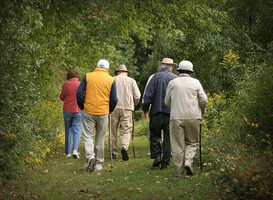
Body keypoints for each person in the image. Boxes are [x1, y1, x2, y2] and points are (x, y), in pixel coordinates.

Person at [165, 60, 208, 177]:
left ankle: (179, 172)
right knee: (192, 142)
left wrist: (174, 105)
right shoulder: (196, 83)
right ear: (190, 71)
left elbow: (167, 101)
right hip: (193, 116)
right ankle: (188, 161)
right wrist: (202, 109)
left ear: (179, 70)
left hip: (176, 117)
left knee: (177, 144)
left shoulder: (173, 83)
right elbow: (204, 99)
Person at [77, 59, 118, 172]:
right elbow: (114, 99)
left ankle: (90, 156)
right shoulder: (111, 79)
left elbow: (79, 93)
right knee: (100, 137)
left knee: (88, 136)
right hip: (103, 112)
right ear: (107, 69)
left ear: (97, 66)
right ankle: (98, 163)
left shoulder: (88, 76)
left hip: (88, 110)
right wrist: (110, 109)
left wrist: (82, 106)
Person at [141, 58, 177, 169]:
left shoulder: (155, 77)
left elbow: (148, 95)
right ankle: (165, 163)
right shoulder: (175, 78)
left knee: (155, 135)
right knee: (168, 137)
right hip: (170, 112)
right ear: (171, 67)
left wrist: (145, 108)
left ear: (161, 66)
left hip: (156, 111)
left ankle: (157, 156)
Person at [110, 65, 141, 161]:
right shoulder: (131, 81)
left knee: (112, 131)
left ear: (117, 72)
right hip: (127, 108)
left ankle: (113, 152)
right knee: (126, 130)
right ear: (126, 72)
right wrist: (133, 105)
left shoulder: (111, 80)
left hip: (113, 108)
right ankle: (124, 146)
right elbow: (137, 96)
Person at [59, 69, 82, 159]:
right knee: (77, 130)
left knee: (68, 130)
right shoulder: (80, 84)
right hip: (78, 110)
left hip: (67, 110)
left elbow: (61, 97)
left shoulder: (66, 84)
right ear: (77, 76)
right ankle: (75, 150)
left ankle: (68, 152)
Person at [142, 65, 162, 156]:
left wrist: (144, 108)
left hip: (154, 108)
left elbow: (147, 93)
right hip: (169, 110)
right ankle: (167, 152)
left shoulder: (153, 77)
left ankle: (155, 152)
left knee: (154, 131)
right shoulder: (173, 77)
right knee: (167, 132)